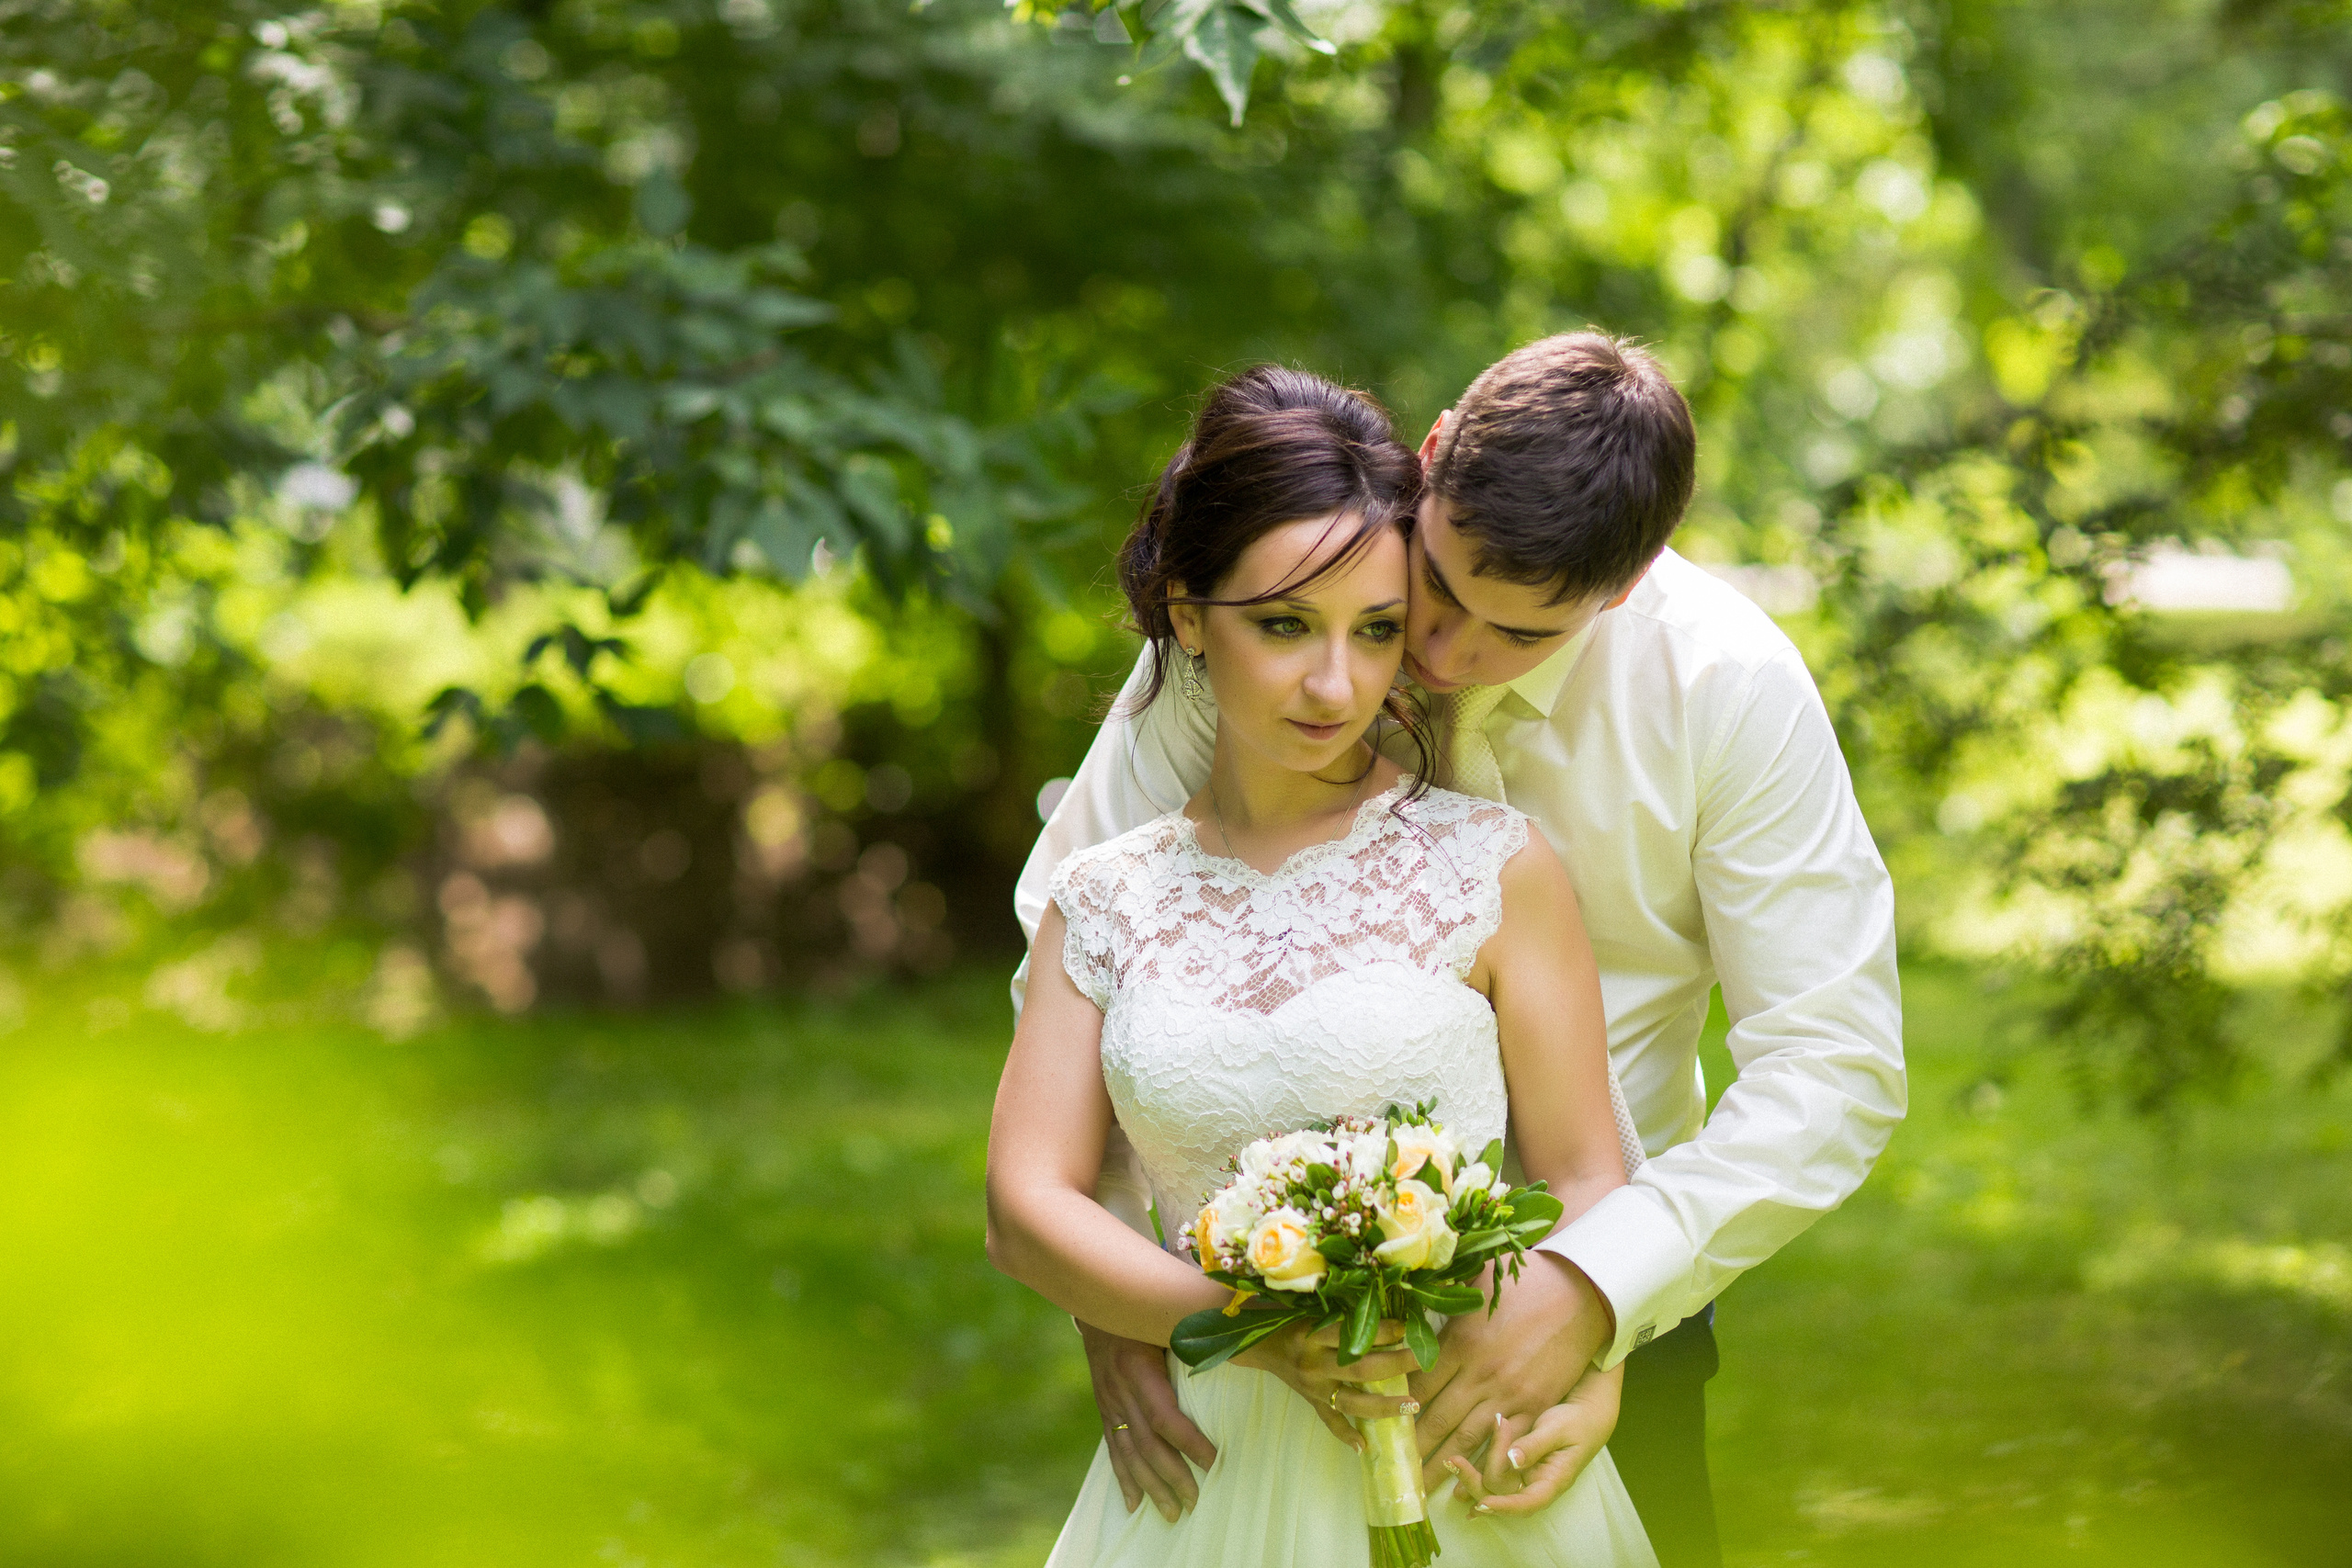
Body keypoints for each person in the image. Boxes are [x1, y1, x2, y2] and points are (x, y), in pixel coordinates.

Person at [1013, 333, 1906, 1567]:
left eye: (1517, 635)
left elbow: (1834, 1067)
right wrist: (1124, 1309)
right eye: (1439, 588)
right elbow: (1086, 933)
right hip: (1243, 1336)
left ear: (1628, 584)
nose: (1436, 657)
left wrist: (1593, 1303)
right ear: (1429, 464)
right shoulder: (1288, 613)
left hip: (1621, 1284)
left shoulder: (1727, 690)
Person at [987, 366, 1659, 1566]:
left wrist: (1587, 1364)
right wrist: (1246, 1325)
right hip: (1211, 1470)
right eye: (1286, 625)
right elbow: (1025, 1207)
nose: (1337, 685)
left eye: (1378, 631)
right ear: (1189, 615)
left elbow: (1586, 1177)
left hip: (1462, 1438)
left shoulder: (1495, 866)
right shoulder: (1104, 896)